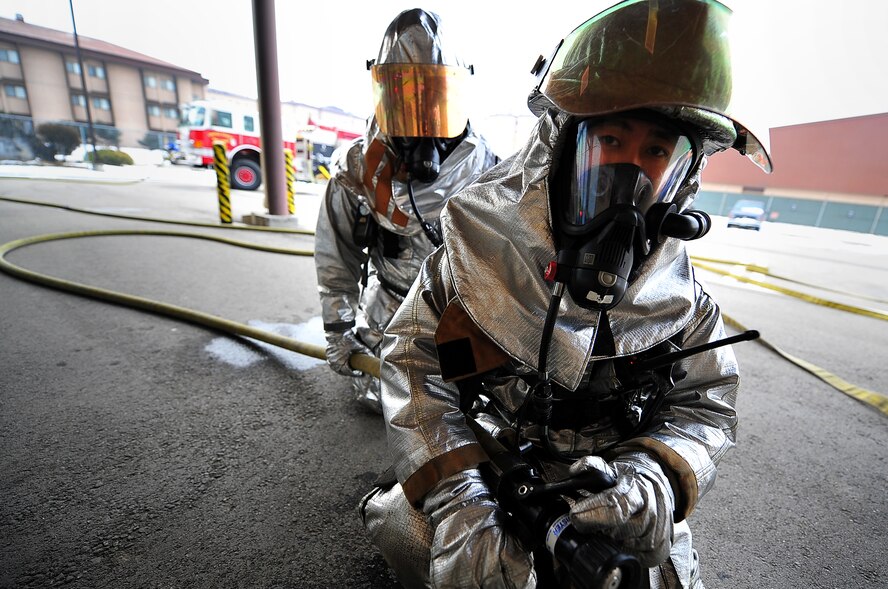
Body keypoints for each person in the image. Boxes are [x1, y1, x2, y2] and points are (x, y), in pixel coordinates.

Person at [359, 0, 772, 587]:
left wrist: (649, 479)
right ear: (559, 145)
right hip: (495, 463)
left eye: (657, 150)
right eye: (610, 139)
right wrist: (460, 493)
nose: (631, 172)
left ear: (685, 172)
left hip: (612, 487)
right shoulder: (474, 258)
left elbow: (707, 403)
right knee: (425, 543)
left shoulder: (683, 302)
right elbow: (410, 360)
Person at [314, 8, 499, 413]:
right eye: (405, 99)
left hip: (458, 316)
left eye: (432, 100)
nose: (420, 125)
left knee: (468, 409)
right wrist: (340, 332)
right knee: (382, 401)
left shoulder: (488, 170)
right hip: (388, 311)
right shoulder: (358, 169)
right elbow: (336, 259)